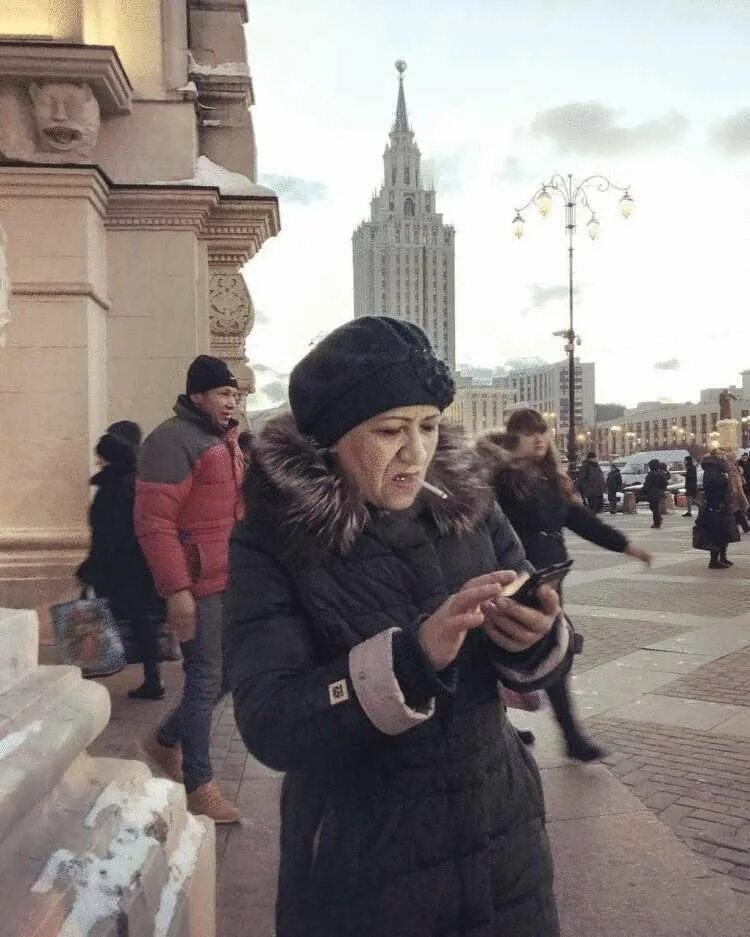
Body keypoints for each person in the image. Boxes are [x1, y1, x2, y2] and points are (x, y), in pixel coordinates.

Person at [225, 317, 575, 937]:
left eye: (430, 426)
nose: (416, 452)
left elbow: (534, 634)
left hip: (501, 833)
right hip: (365, 859)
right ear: (331, 437)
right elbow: (271, 723)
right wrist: (413, 659)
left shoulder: (471, 505)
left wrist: (538, 636)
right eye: (390, 430)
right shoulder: (273, 539)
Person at [477, 410, 651, 762]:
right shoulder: (498, 480)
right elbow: (481, 528)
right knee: (507, 656)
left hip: (548, 582)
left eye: (542, 432)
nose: (538, 439)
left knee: (553, 656)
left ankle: (568, 737)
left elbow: (578, 519)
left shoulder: (547, 479)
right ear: (513, 439)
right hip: (514, 583)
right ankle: (534, 732)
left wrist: (624, 545)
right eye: (528, 433)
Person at [135, 354, 245, 824]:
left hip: (228, 578)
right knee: (205, 678)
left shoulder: (224, 441)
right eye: (223, 394)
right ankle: (199, 784)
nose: (231, 402)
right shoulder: (171, 440)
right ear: (197, 394)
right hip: (198, 584)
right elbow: (154, 523)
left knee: (227, 674)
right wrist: (177, 589)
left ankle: (163, 741)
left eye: (235, 395)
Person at [77, 427, 165, 699]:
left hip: (119, 569)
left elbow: (106, 535)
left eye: (100, 456)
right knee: (141, 622)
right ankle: (152, 677)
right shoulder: (137, 482)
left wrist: (90, 569)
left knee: (118, 620)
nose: (98, 461)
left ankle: (101, 668)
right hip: (140, 566)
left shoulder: (111, 490)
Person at [695, 451, 740, 568]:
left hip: (721, 507)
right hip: (715, 509)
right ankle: (714, 561)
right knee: (716, 535)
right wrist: (727, 477)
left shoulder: (716, 472)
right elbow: (716, 489)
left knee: (725, 534)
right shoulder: (713, 473)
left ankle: (723, 557)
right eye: (724, 460)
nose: (726, 462)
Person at [641, 459, 668, 528]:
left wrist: (642, 491)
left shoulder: (651, 474)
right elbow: (665, 483)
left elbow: (647, 484)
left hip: (652, 493)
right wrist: (662, 489)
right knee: (655, 507)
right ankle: (658, 519)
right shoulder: (661, 473)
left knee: (654, 508)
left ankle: (657, 522)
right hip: (659, 492)